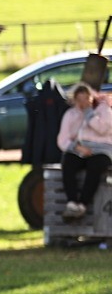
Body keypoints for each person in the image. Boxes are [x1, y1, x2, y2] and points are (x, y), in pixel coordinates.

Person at [56, 82, 112, 220]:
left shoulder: (104, 110)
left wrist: (89, 113)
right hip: (80, 149)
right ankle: (72, 202)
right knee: (68, 161)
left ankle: (83, 204)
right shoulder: (71, 114)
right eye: (79, 100)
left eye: (86, 99)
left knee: (96, 165)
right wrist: (76, 147)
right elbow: (62, 139)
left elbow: (102, 129)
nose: (82, 103)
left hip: (102, 150)